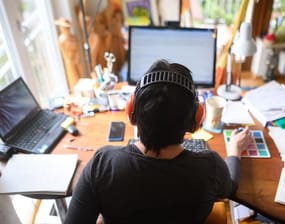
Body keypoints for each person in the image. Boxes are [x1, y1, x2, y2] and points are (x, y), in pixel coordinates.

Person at [64, 59, 252, 224]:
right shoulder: (210, 168)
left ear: (131, 112)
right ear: (196, 119)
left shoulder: (102, 165)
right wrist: (234, 151)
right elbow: (231, 187)